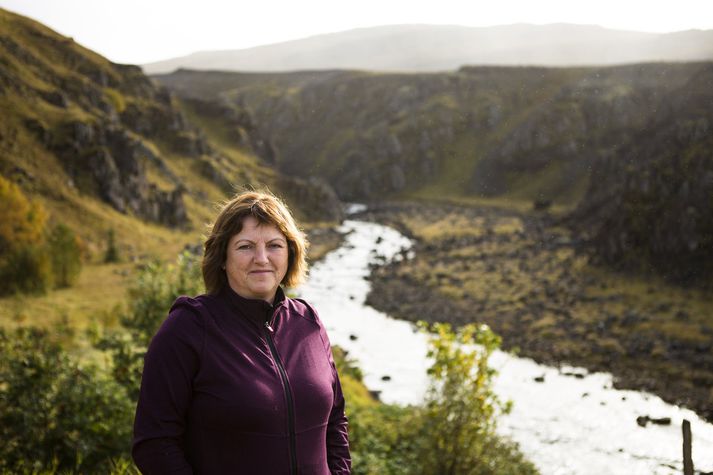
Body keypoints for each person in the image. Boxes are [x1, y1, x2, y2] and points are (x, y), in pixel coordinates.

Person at [132, 190, 351, 474]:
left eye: (274, 245)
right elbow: (154, 443)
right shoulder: (188, 328)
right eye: (245, 247)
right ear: (222, 257)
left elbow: (335, 422)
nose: (262, 258)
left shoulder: (308, 322)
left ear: (290, 252)